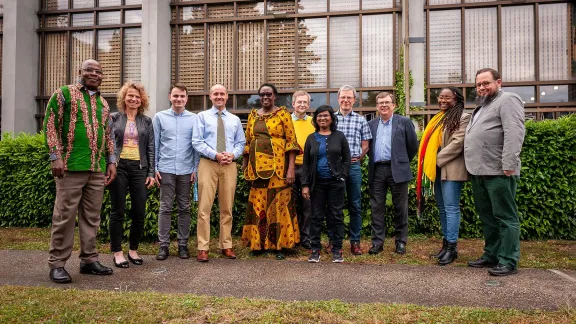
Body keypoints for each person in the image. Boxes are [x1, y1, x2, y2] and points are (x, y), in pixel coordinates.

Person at [43, 59, 117, 283]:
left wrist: (111, 162)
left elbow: (109, 135)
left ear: (102, 76)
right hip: (70, 166)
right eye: (89, 70)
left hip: (96, 168)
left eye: (98, 71)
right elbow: (50, 124)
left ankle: (89, 259)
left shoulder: (104, 104)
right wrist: (55, 156)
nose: (94, 74)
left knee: (92, 217)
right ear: (80, 72)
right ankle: (57, 263)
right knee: (64, 216)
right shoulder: (64, 93)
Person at [464, 68, 525, 276]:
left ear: (498, 82)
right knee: (487, 217)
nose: (482, 87)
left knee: (505, 216)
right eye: (478, 84)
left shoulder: (508, 99)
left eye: (486, 83)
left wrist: (509, 163)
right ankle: (492, 254)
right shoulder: (482, 106)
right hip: (479, 171)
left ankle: (508, 260)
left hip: (499, 170)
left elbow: (514, 132)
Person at [241, 83, 301, 260]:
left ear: (275, 96)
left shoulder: (283, 114)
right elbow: (248, 142)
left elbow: (291, 142)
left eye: (269, 94)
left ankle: (278, 245)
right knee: (258, 203)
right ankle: (257, 244)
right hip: (257, 169)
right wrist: (245, 166)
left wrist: (291, 169)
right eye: (262, 95)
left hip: (279, 169)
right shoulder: (253, 116)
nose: (265, 97)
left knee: (278, 204)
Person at [416, 87, 470, 265]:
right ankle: (445, 245)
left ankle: (452, 248)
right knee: (442, 207)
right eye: (440, 97)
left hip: (451, 169)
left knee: (451, 208)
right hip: (438, 170)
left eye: (447, 97)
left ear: (457, 99)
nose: (442, 100)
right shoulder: (438, 118)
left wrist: (433, 160)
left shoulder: (463, 117)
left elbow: (457, 143)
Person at [192, 84, 246, 262]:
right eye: (216, 93)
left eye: (222, 93)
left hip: (229, 165)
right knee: (204, 208)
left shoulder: (234, 120)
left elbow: (241, 143)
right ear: (210, 96)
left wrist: (233, 154)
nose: (219, 96)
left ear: (227, 96)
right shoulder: (202, 117)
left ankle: (226, 245)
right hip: (208, 164)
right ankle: (203, 247)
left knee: (227, 208)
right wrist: (215, 154)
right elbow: (197, 142)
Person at [108, 81, 155, 268]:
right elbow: (109, 145)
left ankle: (133, 250)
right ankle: (117, 252)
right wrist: (110, 165)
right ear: (124, 98)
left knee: (139, 211)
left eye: (137, 96)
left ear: (141, 100)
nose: (134, 99)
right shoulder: (113, 118)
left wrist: (151, 171)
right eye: (130, 96)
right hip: (119, 167)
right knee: (117, 210)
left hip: (139, 168)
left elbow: (151, 147)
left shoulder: (147, 121)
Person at [153, 83, 200, 261]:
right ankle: (163, 246)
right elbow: (155, 144)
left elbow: (196, 146)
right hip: (165, 169)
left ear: (186, 98)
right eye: (175, 96)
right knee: (165, 208)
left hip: (186, 170)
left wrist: (195, 169)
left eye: (182, 96)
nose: (178, 99)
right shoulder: (159, 117)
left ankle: (182, 245)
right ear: (169, 97)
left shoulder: (194, 119)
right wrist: (155, 169)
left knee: (185, 208)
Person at [367, 92, 418, 255]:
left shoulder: (404, 122)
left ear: (394, 105)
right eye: (380, 102)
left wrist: (400, 160)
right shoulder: (371, 124)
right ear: (376, 106)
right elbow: (368, 148)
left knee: (400, 207)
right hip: (377, 170)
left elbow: (412, 146)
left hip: (398, 169)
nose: (383, 105)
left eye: (387, 102)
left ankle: (401, 242)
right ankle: (377, 242)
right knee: (376, 207)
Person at [301, 105, 351, 263]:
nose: (322, 118)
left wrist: (343, 176)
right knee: (316, 216)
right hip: (317, 184)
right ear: (315, 119)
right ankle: (315, 249)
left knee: (336, 216)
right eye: (319, 116)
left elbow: (347, 158)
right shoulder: (311, 138)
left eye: (325, 116)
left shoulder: (339, 136)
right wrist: (305, 185)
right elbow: (306, 164)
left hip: (336, 183)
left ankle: (337, 248)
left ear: (331, 118)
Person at [333, 85, 372, 255]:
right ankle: (335, 241)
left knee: (355, 205)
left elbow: (365, 145)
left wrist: (356, 158)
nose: (346, 100)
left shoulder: (361, 120)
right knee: (335, 206)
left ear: (354, 100)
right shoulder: (331, 118)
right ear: (338, 98)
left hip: (354, 167)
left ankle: (355, 242)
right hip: (334, 168)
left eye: (349, 97)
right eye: (343, 97)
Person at [291, 90, 315, 250]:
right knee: (291, 204)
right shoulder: (286, 121)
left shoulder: (314, 122)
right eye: (299, 102)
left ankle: (306, 238)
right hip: (290, 169)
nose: (302, 104)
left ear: (309, 104)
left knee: (308, 205)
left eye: (304, 102)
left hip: (308, 169)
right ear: (293, 104)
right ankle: (292, 237)